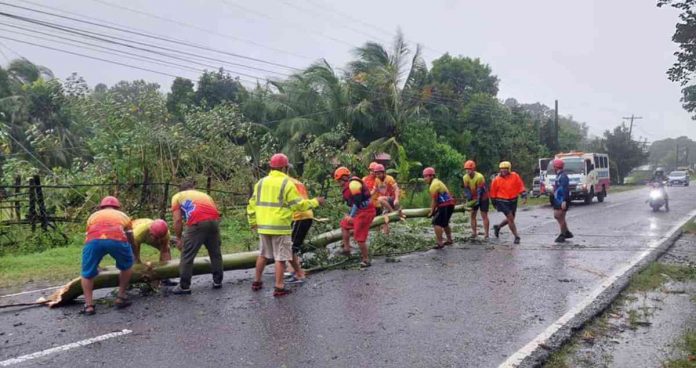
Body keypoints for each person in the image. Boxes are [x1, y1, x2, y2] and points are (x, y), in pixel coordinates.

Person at [247, 153, 323, 296]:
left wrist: (253, 222)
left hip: (263, 226)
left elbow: (251, 205)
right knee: (281, 257)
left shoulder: (261, 182)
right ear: (285, 167)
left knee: (263, 254)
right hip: (280, 226)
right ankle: (279, 287)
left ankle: (256, 282)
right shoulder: (286, 183)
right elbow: (298, 205)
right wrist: (315, 202)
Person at [80, 196, 135, 315]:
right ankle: (121, 297)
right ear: (117, 207)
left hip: (94, 241)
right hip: (117, 239)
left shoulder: (93, 216)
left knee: (86, 273)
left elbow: (89, 236)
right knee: (127, 267)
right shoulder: (123, 216)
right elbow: (130, 236)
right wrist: (130, 251)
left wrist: (94, 262)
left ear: (101, 206)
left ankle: (89, 305)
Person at [170, 180, 223, 295]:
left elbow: (177, 219)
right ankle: (218, 281)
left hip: (197, 223)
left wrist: (179, 238)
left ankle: (184, 286)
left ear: (181, 189)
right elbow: (217, 213)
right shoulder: (205, 195)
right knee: (215, 253)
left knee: (187, 255)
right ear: (193, 188)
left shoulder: (177, 196)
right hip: (214, 221)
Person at [335, 166, 376, 267]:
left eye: (339, 181)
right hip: (359, 211)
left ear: (344, 178)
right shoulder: (348, 186)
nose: (338, 183)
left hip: (365, 212)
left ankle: (366, 259)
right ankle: (347, 248)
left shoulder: (354, 185)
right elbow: (353, 202)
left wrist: (351, 215)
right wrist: (350, 215)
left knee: (359, 237)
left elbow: (357, 202)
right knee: (344, 224)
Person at [285, 174, 315, 284]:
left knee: (292, 246)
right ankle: (293, 270)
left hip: (300, 215)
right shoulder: (297, 182)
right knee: (293, 245)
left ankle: (296, 274)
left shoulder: (285, 182)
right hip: (305, 214)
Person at [131, 218, 177, 286]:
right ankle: (132, 280)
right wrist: (140, 269)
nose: (156, 239)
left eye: (158, 238)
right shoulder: (138, 232)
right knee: (132, 258)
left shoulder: (165, 235)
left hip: (150, 235)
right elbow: (135, 254)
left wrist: (163, 271)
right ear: (150, 231)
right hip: (133, 236)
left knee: (166, 249)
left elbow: (164, 252)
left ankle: (165, 279)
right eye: (155, 237)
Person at [490, 161, 527, 245]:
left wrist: (523, 195)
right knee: (510, 218)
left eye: (505, 169)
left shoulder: (515, 176)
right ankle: (516, 236)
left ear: (509, 169)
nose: (503, 170)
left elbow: (520, 186)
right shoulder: (496, 179)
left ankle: (498, 227)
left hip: (513, 200)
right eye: (501, 169)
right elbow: (493, 192)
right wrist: (494, 202)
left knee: (511, 218)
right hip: (502, 201)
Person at [423, 167, 455, 249]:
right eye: (424, 176)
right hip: (450, 204)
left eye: (426, 176)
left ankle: (440, 243)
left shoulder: (433, 185)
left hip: (444, 205)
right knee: (445, 223)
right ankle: (449, 239)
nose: (424, 179)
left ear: (431, 176)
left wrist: (431, 212)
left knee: (436, 222)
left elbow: (434, 201)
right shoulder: (438, 182)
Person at [462, 160, 490, 239]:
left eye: (469, 169)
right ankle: (474, 233)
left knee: (484, 215)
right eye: (466, 169)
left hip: (483, 197)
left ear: (473, 169)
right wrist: (469, 199)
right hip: (474, 198)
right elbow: (467, 190)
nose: (468, 171)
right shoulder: (465, 177)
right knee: (472, 214)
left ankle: (486, 234)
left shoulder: (479, 177)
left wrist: (478, 200)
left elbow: (480, 190)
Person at [372, 164, 401, 234]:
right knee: (385, 218)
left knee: (380, 199)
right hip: (385, 202)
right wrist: (365, 196)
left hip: (392, 199)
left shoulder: (389, 178)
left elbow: (396, 189)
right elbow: (373, 191)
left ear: (383, 172)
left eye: (379, 173)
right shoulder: (376, 180)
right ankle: (386, 235)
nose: (377, 175)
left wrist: (396, 199)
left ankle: (392, 212)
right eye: (376, 174)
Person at [550, 159, 573, 243]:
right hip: (558, 199)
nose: (553, 169)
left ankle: (563, 234)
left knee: (559, 216)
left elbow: (565, 189)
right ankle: (566, 232)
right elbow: (559, 187)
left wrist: (564, 201)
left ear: (556, 167)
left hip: (562, 199)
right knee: (559, 216)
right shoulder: (559, 175)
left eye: (554, 167)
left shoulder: (563, 176)